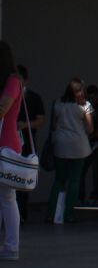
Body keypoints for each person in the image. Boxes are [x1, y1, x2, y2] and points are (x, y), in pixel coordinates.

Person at [45, 78, 94, 224]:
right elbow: (90, 129)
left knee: (59, 180)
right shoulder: (85, 105)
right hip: (79, 147)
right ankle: (69, 214)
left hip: (61, 145)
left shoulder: (58, 104)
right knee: (74, 181)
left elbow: (53, 126)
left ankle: (50, 213)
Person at [0, 40, 23, 260]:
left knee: (7, 197)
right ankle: (10, 246)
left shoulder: (13, 81)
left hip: (5, 144)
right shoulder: (12, 80)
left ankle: (11, 246)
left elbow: (3, 109)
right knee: (6, 198)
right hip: (7, 143)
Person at [15, 64, 44, 223]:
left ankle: (21, 213)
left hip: (26, 143)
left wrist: (24, 125)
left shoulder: (33, 98)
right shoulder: (8, 96)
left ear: (25, 79)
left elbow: (40, 121)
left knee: (23, 181)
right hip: (11, 145)